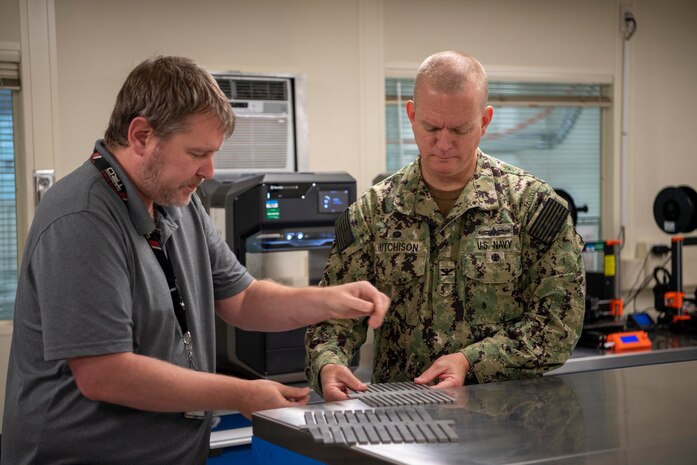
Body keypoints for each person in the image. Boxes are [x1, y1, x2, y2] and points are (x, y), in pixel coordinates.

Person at [1, 56, 390, 465]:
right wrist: (240, 393)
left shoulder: (179, 202)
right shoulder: (81, 218)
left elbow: (243, 299)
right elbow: (105, 373)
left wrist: (330, 299)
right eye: (197, 153)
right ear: (140, 136)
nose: (209, 170)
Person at [305, 51, 585, 401]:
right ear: (411, 115)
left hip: (509, 421)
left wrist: (471, 361)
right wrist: (328, 363)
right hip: (404, 422)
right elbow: (335, 314)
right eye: (431, 127)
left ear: (484, 121)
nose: (443, 143)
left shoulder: (530, 208)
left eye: (459, 129)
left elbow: (558, 326)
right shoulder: (375, 212)